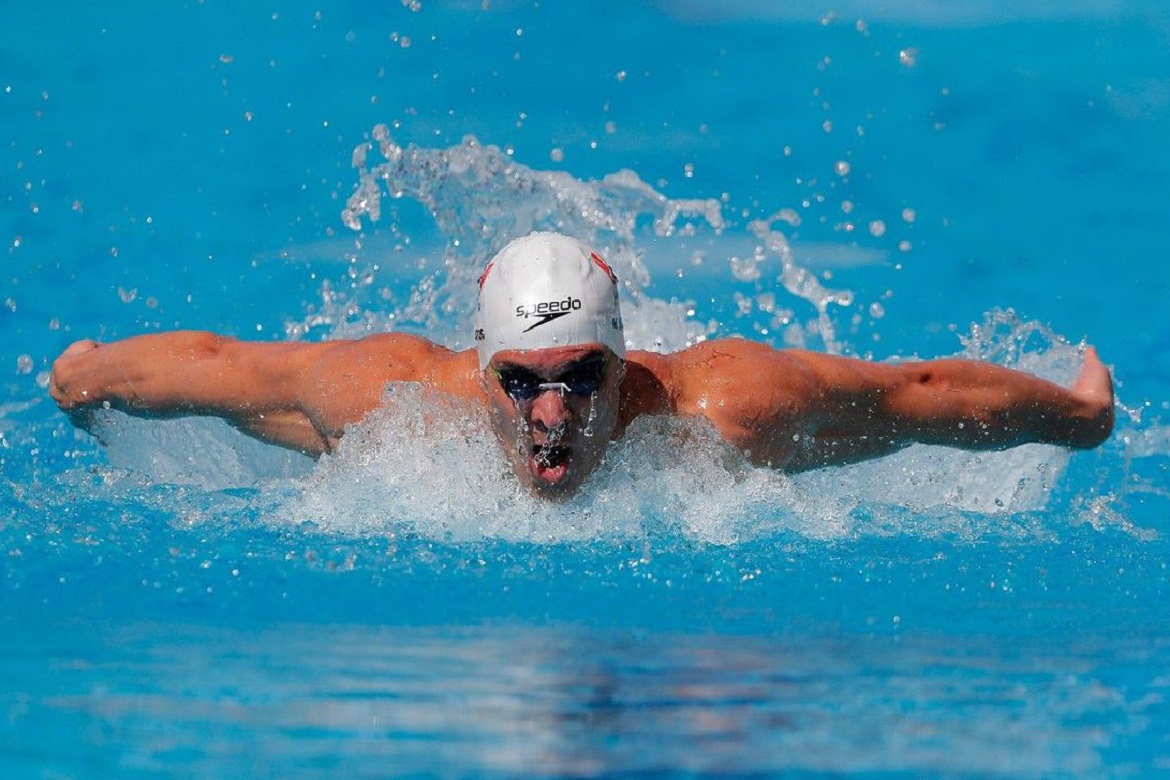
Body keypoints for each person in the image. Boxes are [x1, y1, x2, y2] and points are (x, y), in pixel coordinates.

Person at [49, 232, 1114, 499]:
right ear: (481, 367)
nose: (550, 414)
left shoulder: (725, 405)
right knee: (277, 417)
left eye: (580, 378)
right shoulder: (390, 399)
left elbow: (916, 397)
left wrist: (1078, 417)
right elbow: (221, 365)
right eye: (521, 380)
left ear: (622, 364)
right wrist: (84, 377)